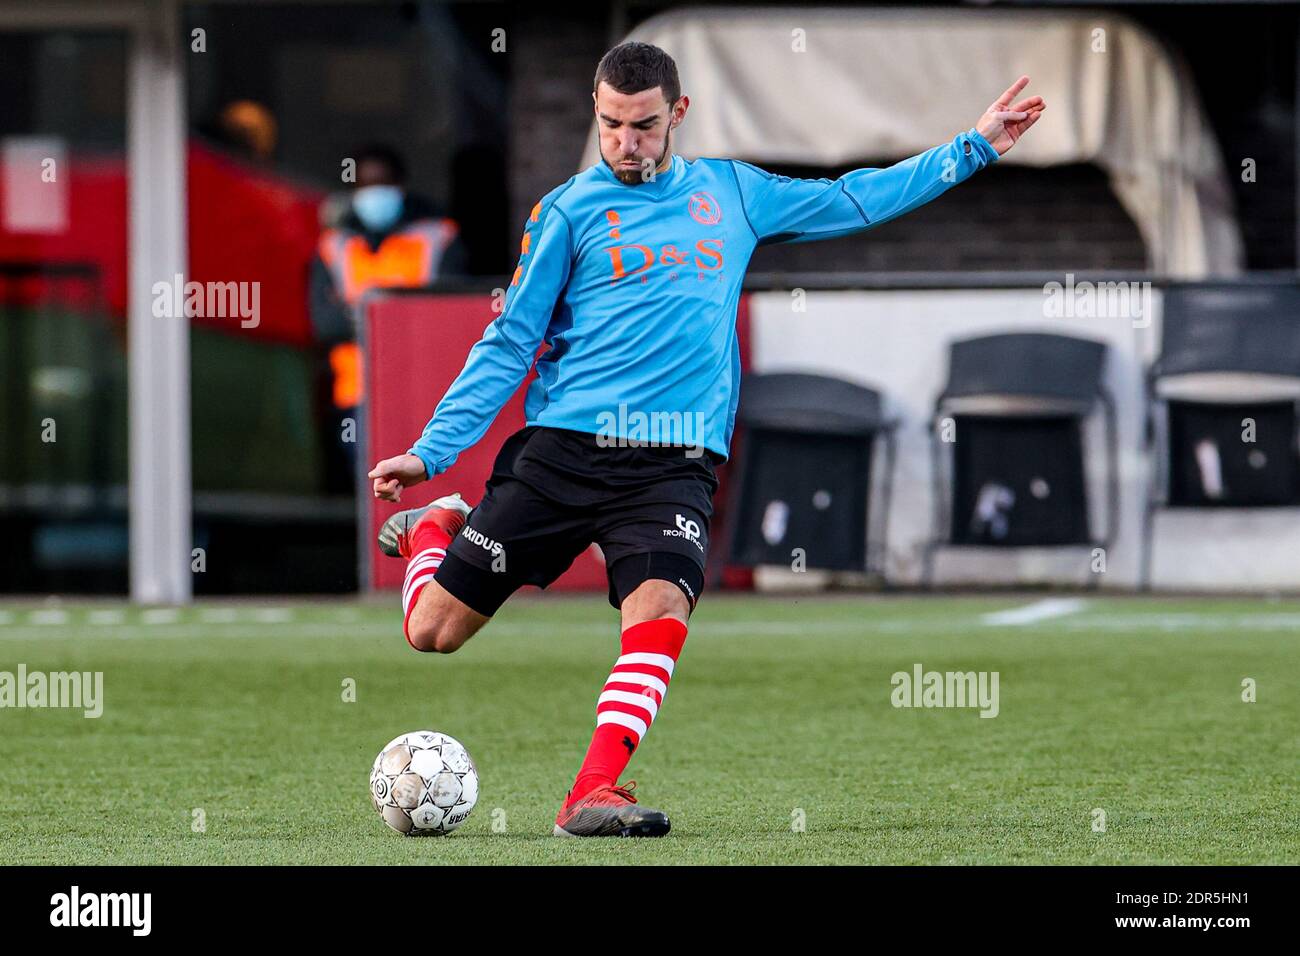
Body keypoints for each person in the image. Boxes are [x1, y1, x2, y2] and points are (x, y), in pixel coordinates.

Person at [367, 42, 1044, 837]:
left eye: (645, 125)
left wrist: (974, 147)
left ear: (677, 114)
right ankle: (436, 529)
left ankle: (592, 792)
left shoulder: (733, 192)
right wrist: (430, 452)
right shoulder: (565, 212)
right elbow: (510, 342)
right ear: (596, 111)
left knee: (660, 608)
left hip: (676, 464)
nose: (628, 142)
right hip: (565, 451)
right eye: (613, 124)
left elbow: (857, 198)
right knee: (433, 633)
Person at [310, 145, 467, 474]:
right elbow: (325, 324)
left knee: (427, 482)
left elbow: (449, 315)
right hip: (357, 395)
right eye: (365, 185)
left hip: (426, 389)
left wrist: (359, 312)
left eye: (383, 183)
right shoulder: (334, 246)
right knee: (374, 485)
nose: (374, 194)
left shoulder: (437, 238)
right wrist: (400, 317)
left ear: (400, 186)